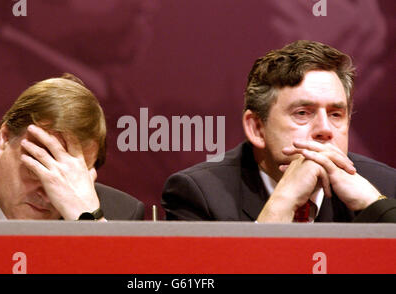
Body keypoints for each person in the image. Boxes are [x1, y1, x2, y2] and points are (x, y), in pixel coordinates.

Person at [162, 40, 396, 223]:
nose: (325, 129)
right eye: (303, 113)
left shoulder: (385, 186)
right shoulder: (199, 194)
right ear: (256, 128)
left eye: (336, 114)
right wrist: (283, 202)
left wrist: (374, 204)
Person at [0, 73, 144, 221]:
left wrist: (88, 222)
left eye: (68, 175)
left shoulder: (121, 216)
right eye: (37, 168)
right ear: (4, 139)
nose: (48, 193)